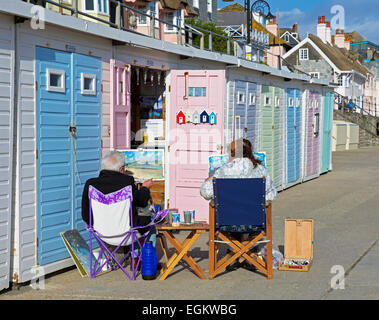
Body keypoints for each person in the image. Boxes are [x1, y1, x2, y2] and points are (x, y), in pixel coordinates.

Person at [200, 138, 278, 270]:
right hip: (255, 222)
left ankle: (234, 255)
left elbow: (205, 192)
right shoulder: (260, 170)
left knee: (229, 211)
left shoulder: (222, 171)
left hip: (226, 221)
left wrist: (209, 182)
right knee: (250, 212)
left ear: (232, 153)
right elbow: (272, 194)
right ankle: (248, 254)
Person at [81, 150, 153, 270]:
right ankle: (144, 262)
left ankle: (128, 259)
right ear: (121, 169)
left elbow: (85, 215)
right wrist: (145, 188)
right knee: (150, 222)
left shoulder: (91, 185)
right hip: (126, 234)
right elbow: (142, 202)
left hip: (101, 234)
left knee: (135, 221)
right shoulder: (127, 183)